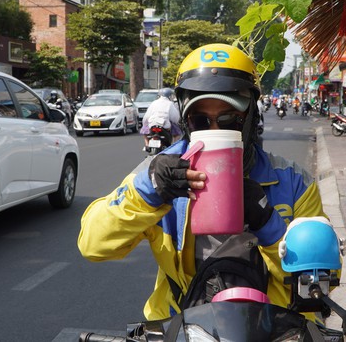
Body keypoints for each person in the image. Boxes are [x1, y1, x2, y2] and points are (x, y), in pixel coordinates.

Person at [78, 43, 329, 322]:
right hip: (180, 323)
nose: (215, 130)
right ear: (185, 122)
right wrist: (148, 192)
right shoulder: (159, 174)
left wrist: (268, 223)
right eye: (200, 120)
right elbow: (93, 245)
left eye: (229, 119)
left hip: (274, 326)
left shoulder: (293, 182)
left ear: (251, 118)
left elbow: (319, 281)